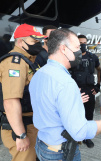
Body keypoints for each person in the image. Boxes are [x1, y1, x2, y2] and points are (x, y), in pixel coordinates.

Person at [29, 29, 101, 161]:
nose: (80, 51)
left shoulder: (39, 74)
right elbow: (80, 132)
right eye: (77, 47)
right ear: (63, 49)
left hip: (42, 145)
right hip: (60, 153)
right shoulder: (65, 83)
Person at [0, 24, 47, 161]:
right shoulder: (14, 64)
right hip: (23, 127)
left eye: (39, 41)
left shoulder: (29, 61)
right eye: (34, 41)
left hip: (33, 125)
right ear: (21, 42)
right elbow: (10, 101)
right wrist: (20, 135)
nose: (38, 45)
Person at [70, 34, 101, 148]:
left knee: (88, 115)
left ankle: (87, 138)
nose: (82, 45)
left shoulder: (93, 57)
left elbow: (99, 70)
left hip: (89, 90)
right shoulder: (72, 57)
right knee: (75, 115)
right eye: (80, 43)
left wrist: (98, 85)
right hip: (76, 91)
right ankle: (75, 137)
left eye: (84, 43)